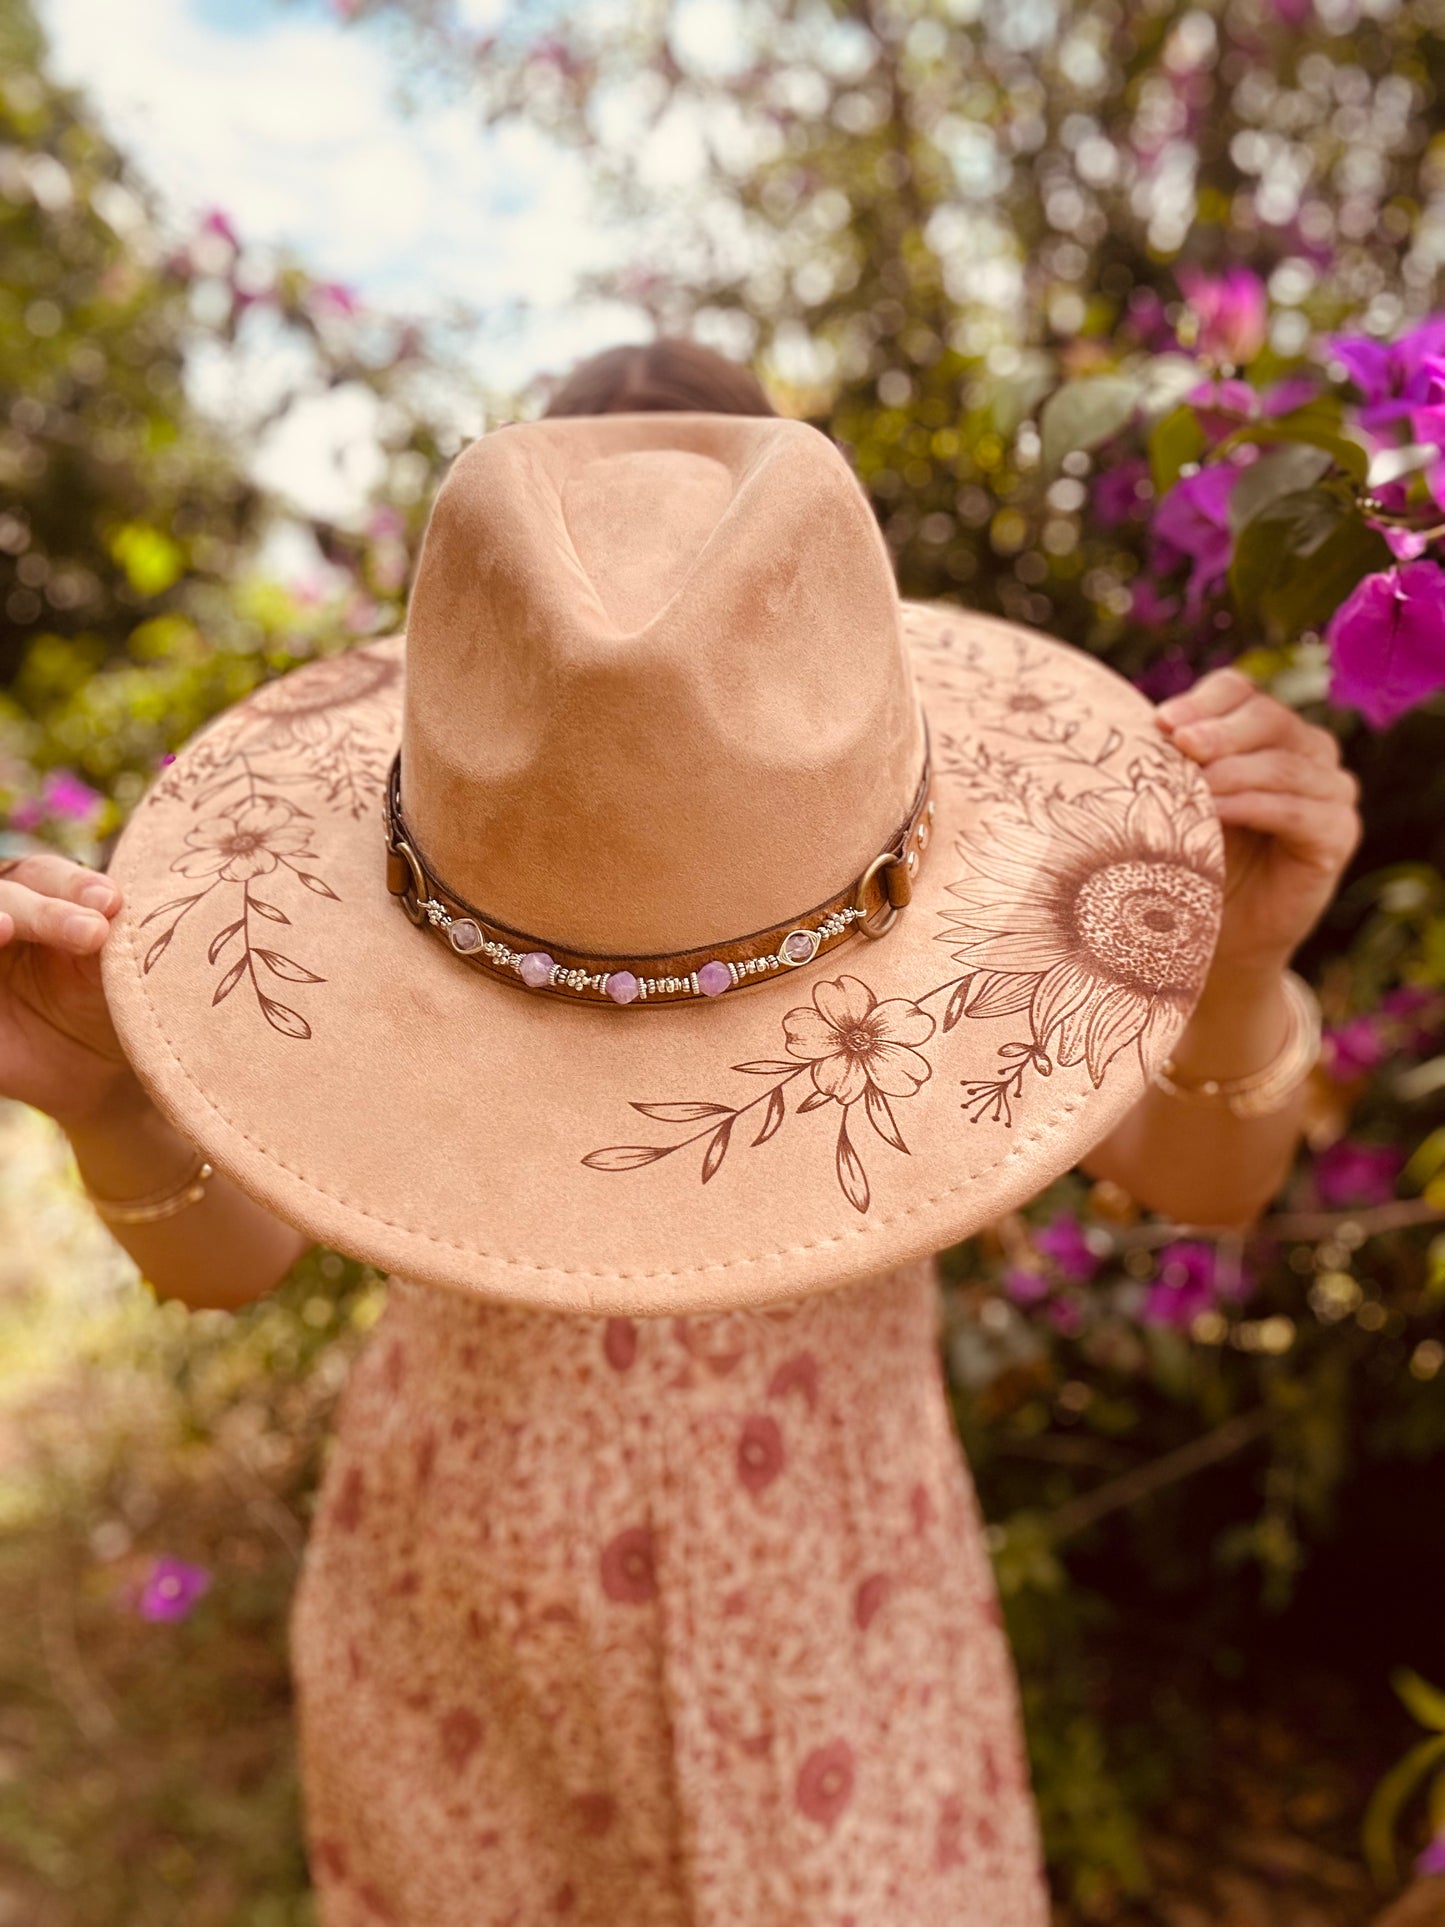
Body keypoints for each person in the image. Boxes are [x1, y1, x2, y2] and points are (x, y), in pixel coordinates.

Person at [0, 341, 1360, 1924]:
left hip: (842, 1635)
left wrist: (1237, 977)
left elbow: (1206, 1179)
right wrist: (105, 1100)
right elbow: (230, 1264)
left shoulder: (947, 952)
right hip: (468, 1652)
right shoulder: (385, 937)